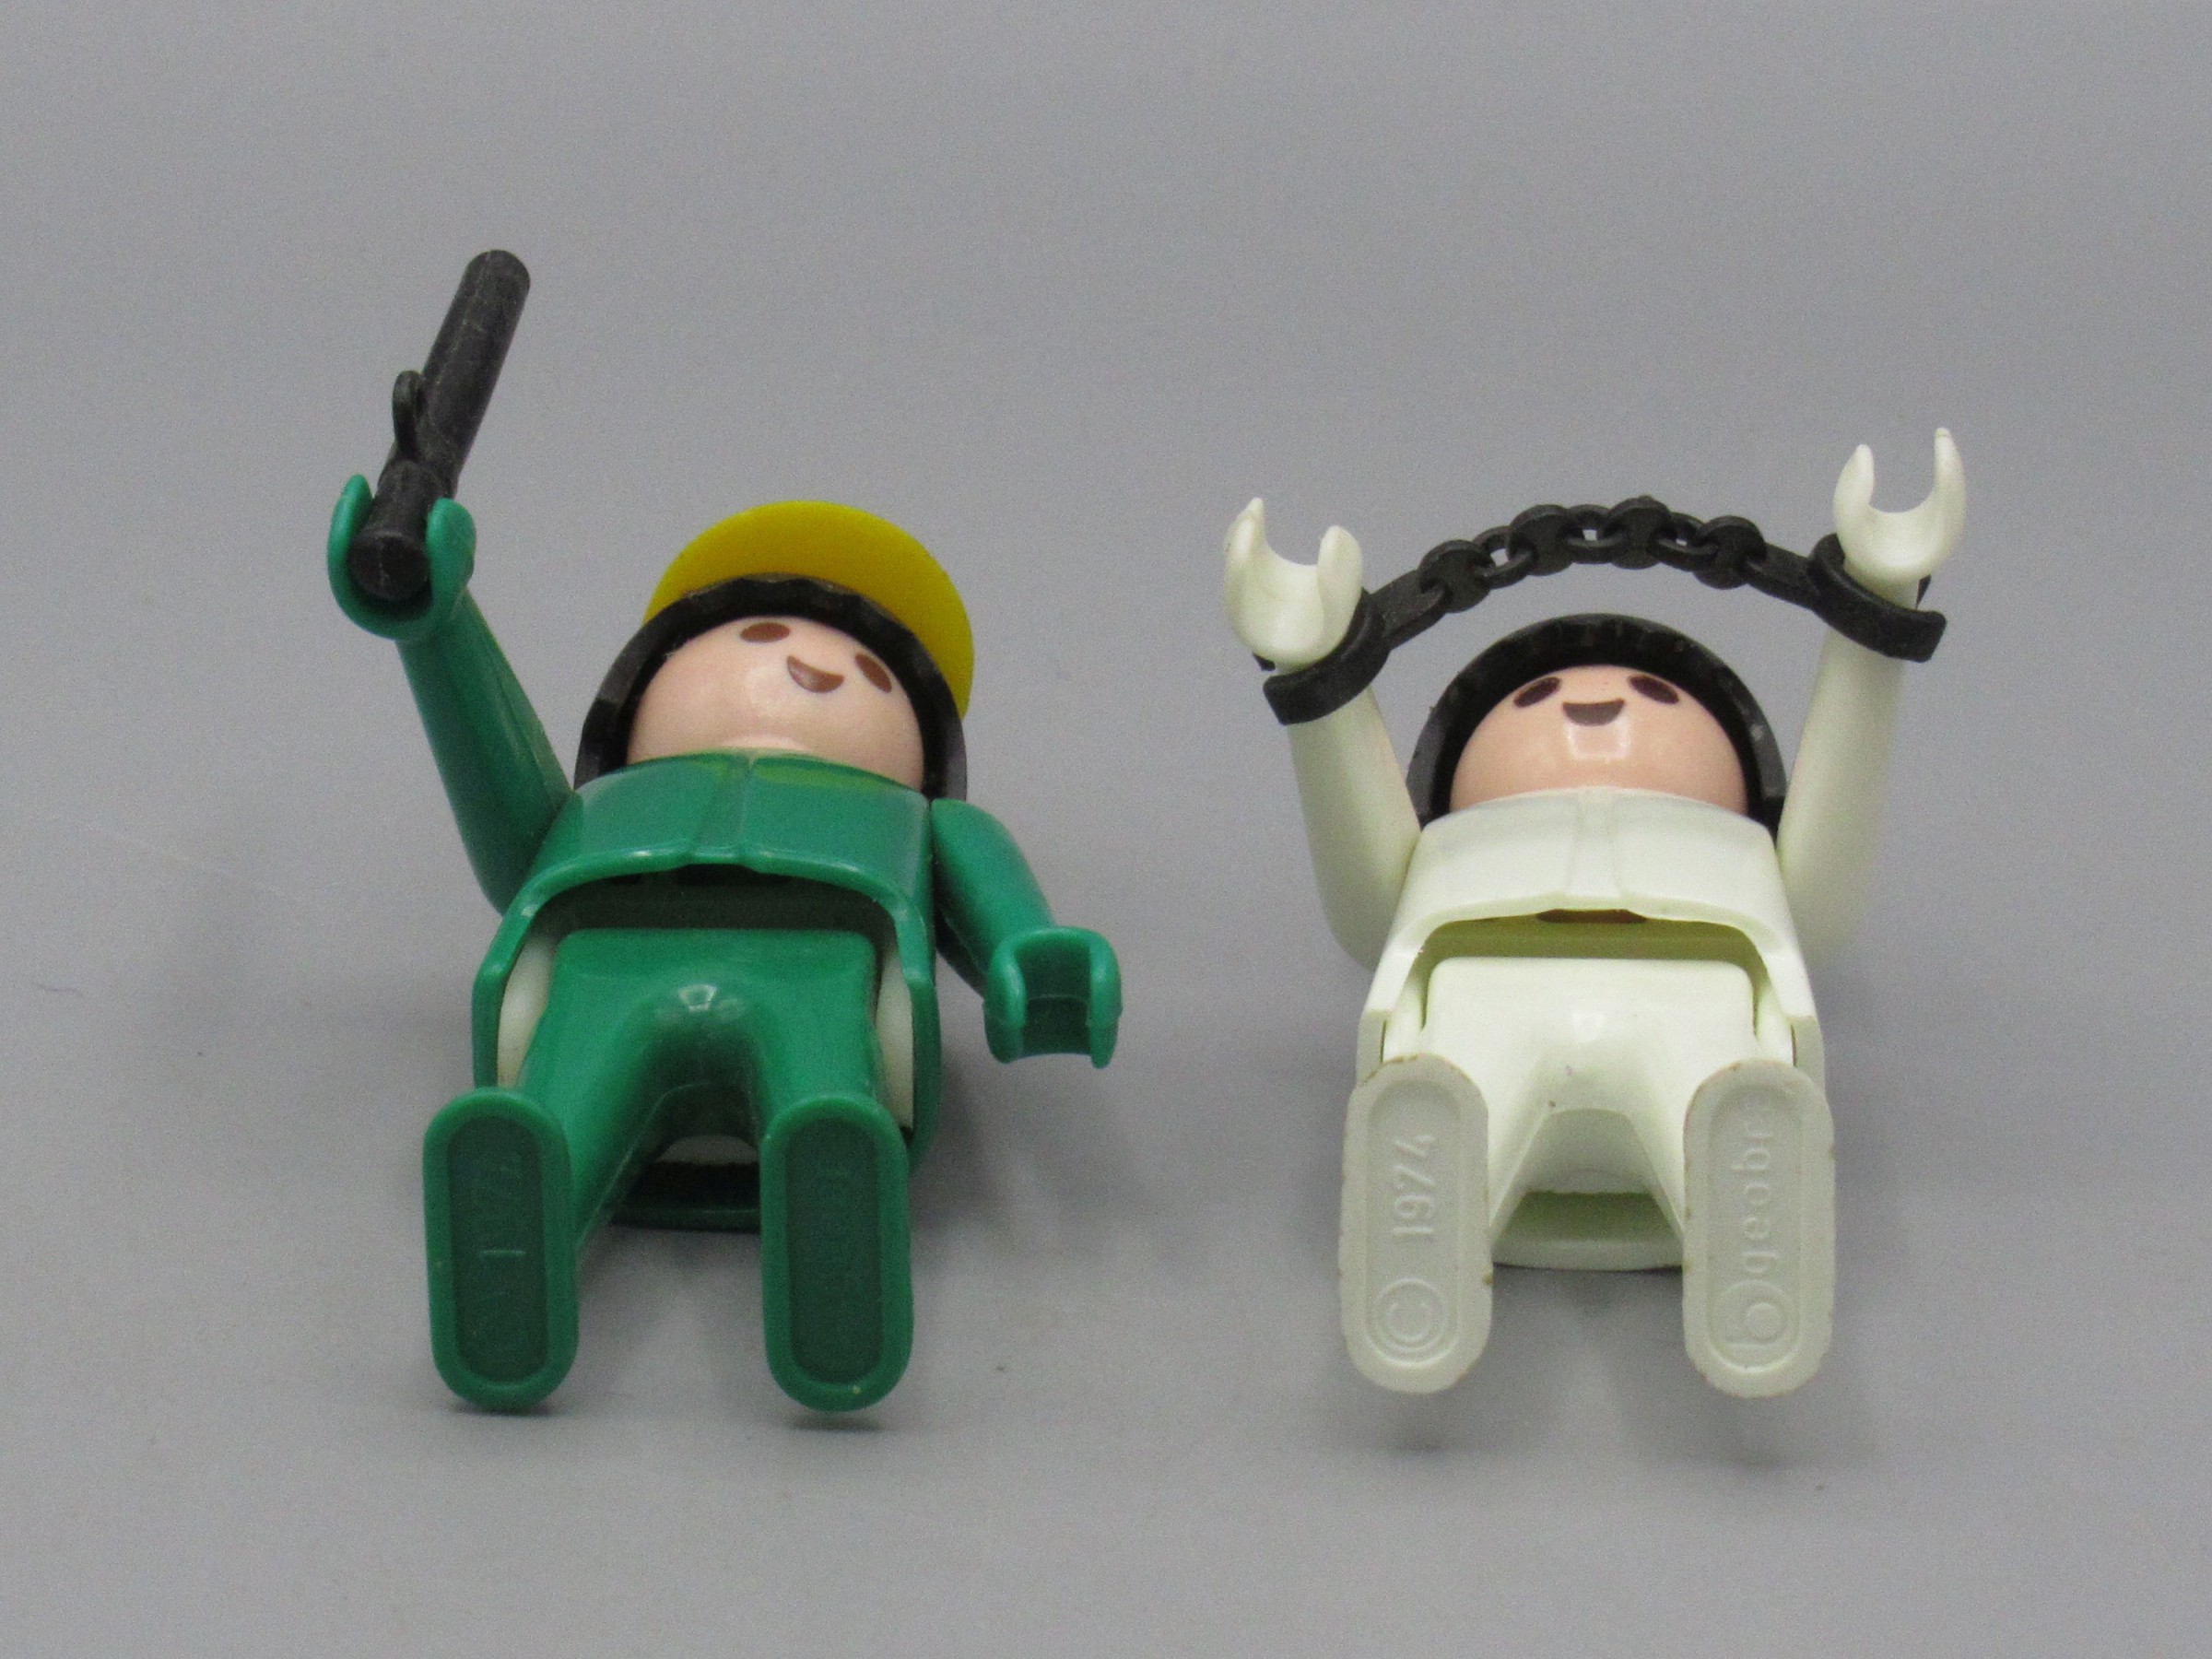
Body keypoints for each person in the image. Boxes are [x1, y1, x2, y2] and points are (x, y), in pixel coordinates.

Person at [330, 488, 1121, 1413]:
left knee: (824, 1079)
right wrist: (439, 627)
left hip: (824, 956)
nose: (810, 670)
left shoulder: (912, 817)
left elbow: (985, 877)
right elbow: (501, 807)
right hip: (605, 948)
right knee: (568, 1090)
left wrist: (1027, 949)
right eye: (759, 637)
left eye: (870, 674)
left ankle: (830, 1183)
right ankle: (524, 1195)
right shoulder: (593, 809)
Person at [1221, 434, 1962, 1397]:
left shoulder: (1741, 857)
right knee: (1468, 1085)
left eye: (1650, 693)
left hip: (1693, 997)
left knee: (1699, 1085)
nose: (1601, 708)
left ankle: (1730, 1212)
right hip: (1487, 989)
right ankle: (1454, 1213)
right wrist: (1321, 679)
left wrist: (1877, 611)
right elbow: (1372, 910)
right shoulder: (1449, 855)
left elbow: (1824, 884)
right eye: (1541, 696)